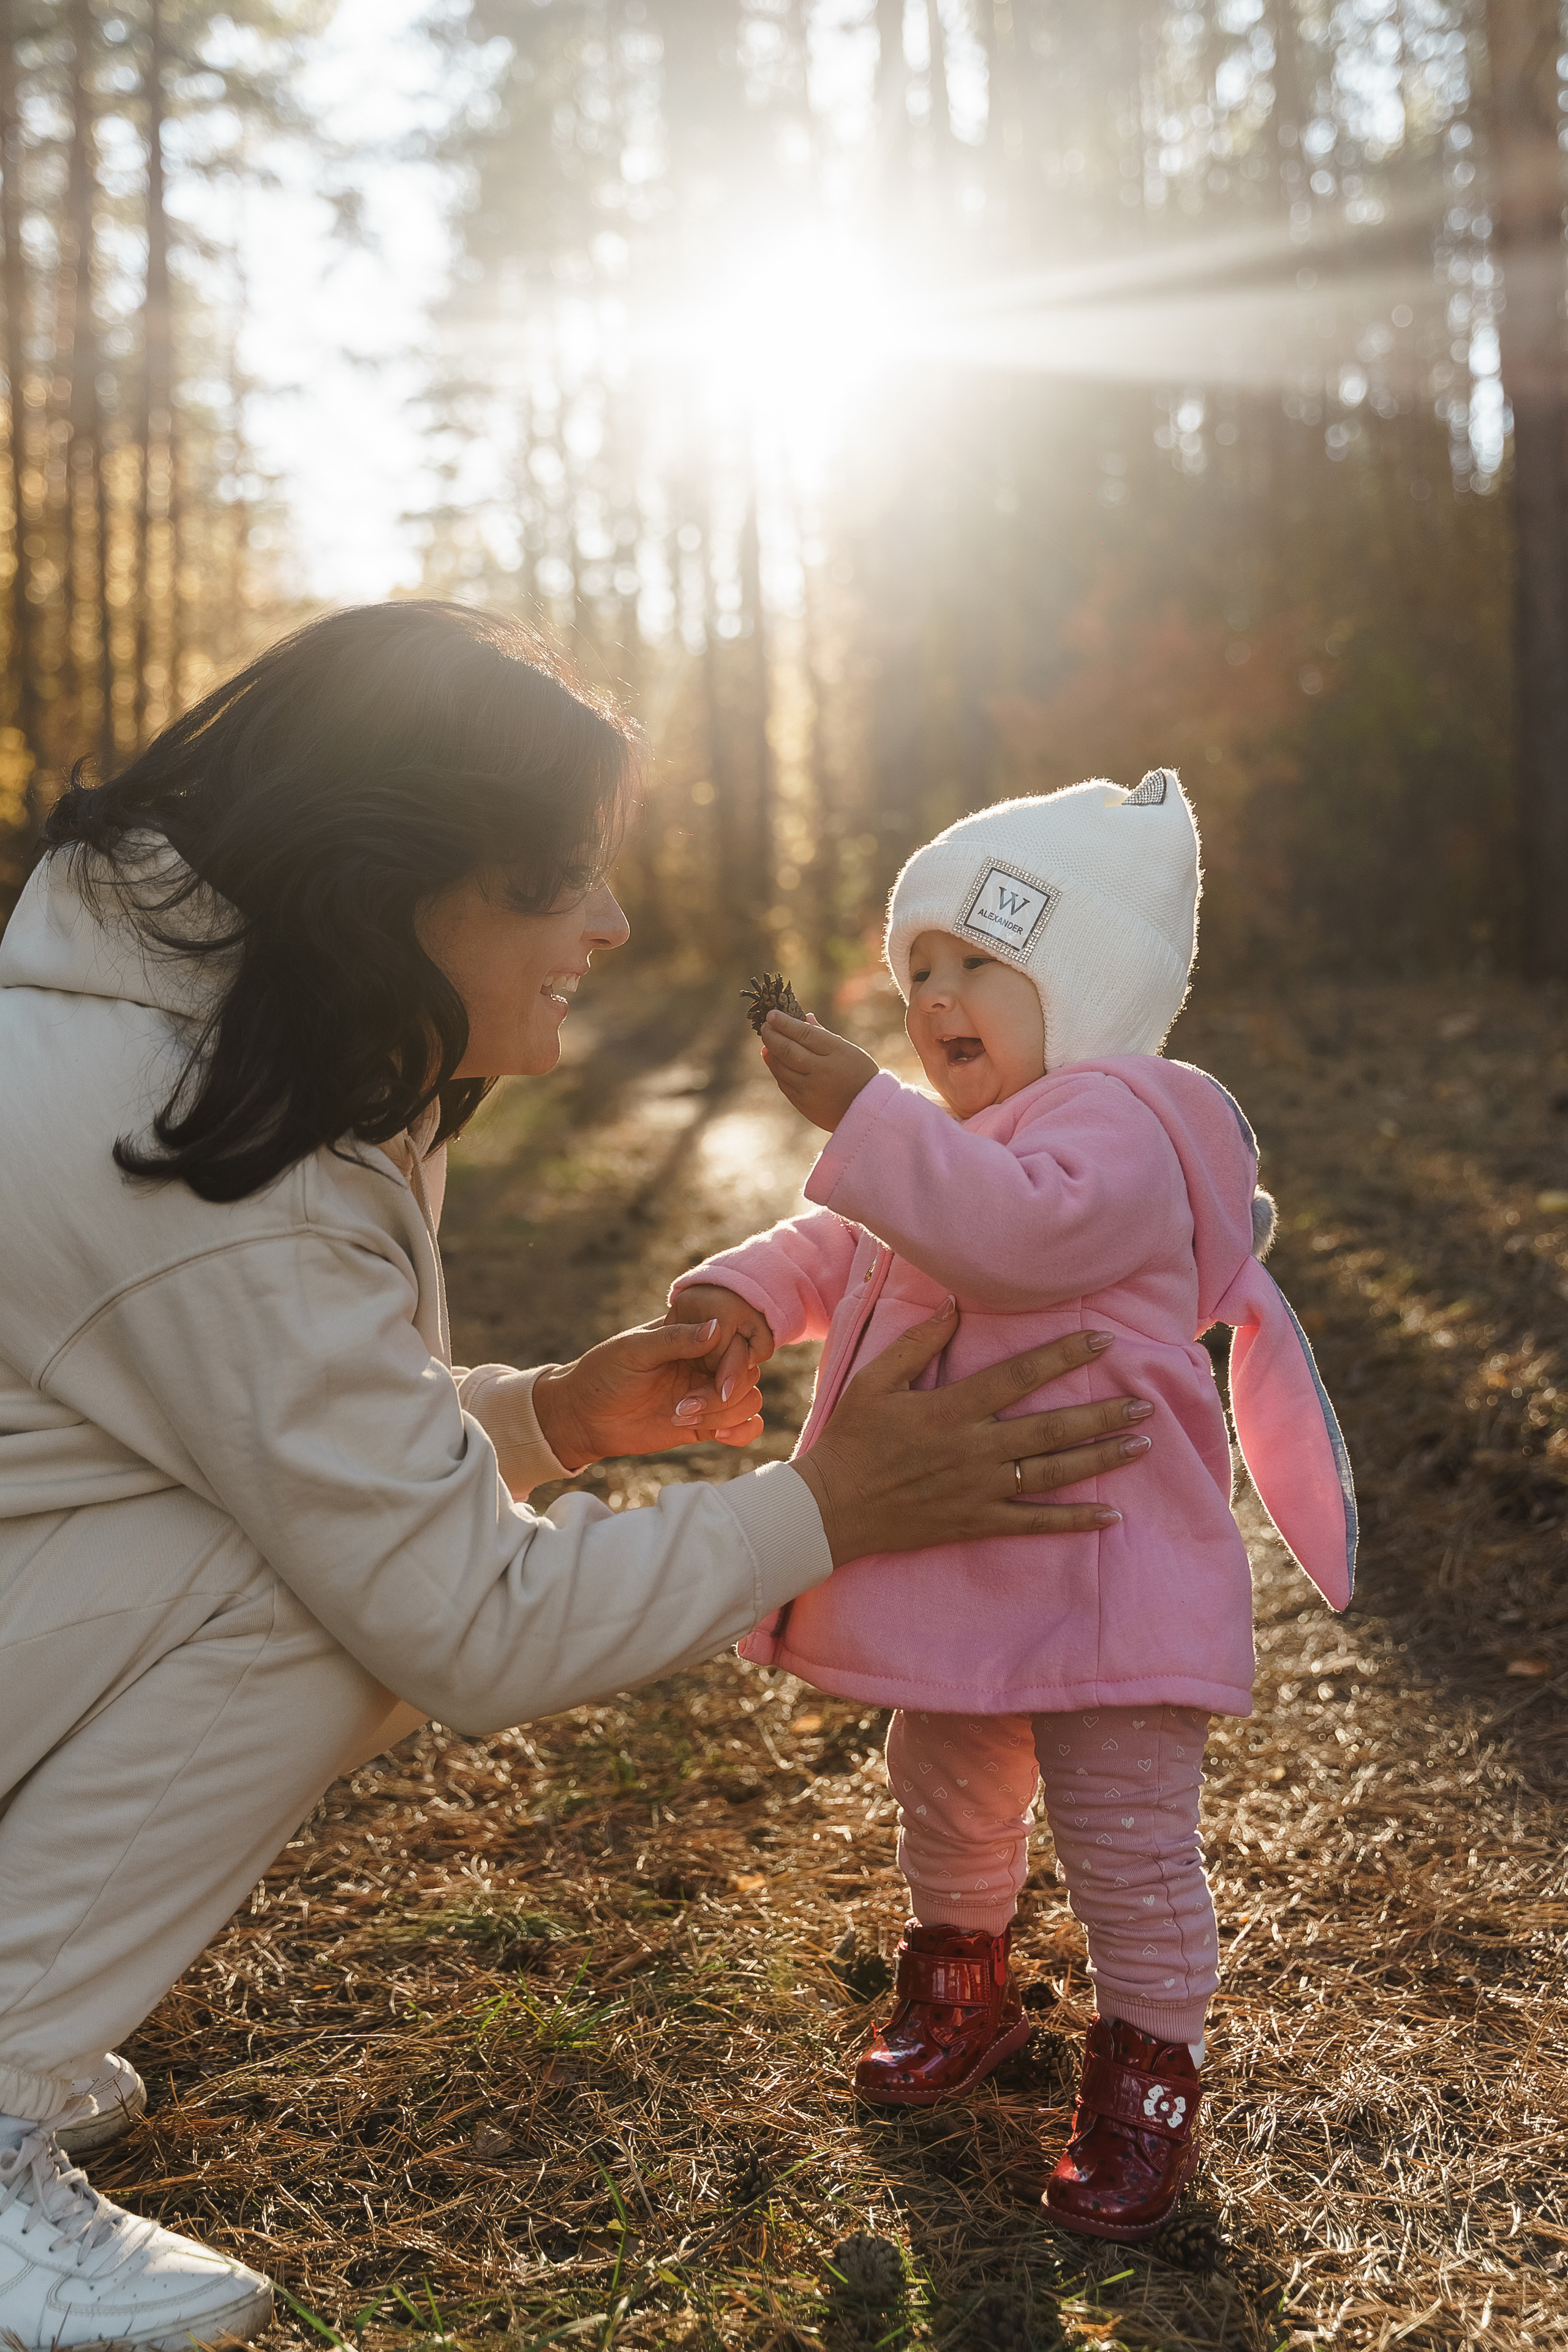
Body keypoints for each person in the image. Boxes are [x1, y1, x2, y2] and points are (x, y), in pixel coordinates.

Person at [0, 603, 1156, 2352]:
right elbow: (462, 1617)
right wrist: (830, 1504)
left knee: (327, 1552)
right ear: (391, 882)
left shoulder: (188, 1052)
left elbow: (261, 1432)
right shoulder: (184, 1152)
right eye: (560, 881)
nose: (609, 925)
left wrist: (550, 1416)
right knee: (324, 1601)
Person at [667, 771, 1357, 2242]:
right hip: (966, 1551)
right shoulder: (939, 1135)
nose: (930, 996)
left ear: (1086, 985)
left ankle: (1147, 2072)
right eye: (914, 966)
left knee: (1122, 1832)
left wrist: (861, 1110)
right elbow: (843, 1233)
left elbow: (1012, 1241)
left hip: (1102, 1562)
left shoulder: (1122, 1125)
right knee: (947, 1774)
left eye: (976, 959)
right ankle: (959, 1975)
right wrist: (743, 1293)